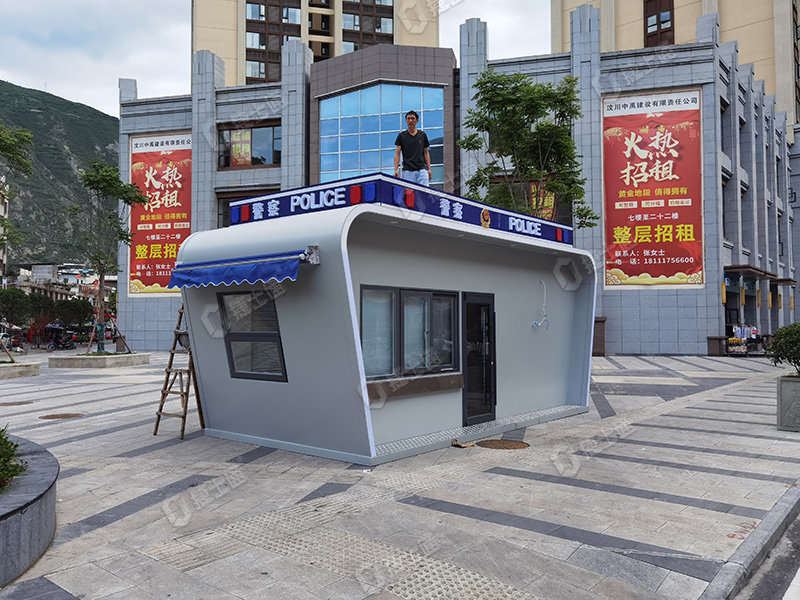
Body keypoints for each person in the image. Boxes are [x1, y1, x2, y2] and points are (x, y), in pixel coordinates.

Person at [394, 111, 432, 186]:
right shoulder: (401, 136)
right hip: (408, 171)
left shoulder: (422, 135)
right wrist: (396, 169)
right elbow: (397, 153)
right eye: (408, 119)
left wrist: (429, 169)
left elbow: (426, 152)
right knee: (409, 192)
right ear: (406, 121)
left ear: (417, 120)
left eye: (412, 118)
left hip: (421, 170)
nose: (410, 121)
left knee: (424, 192)